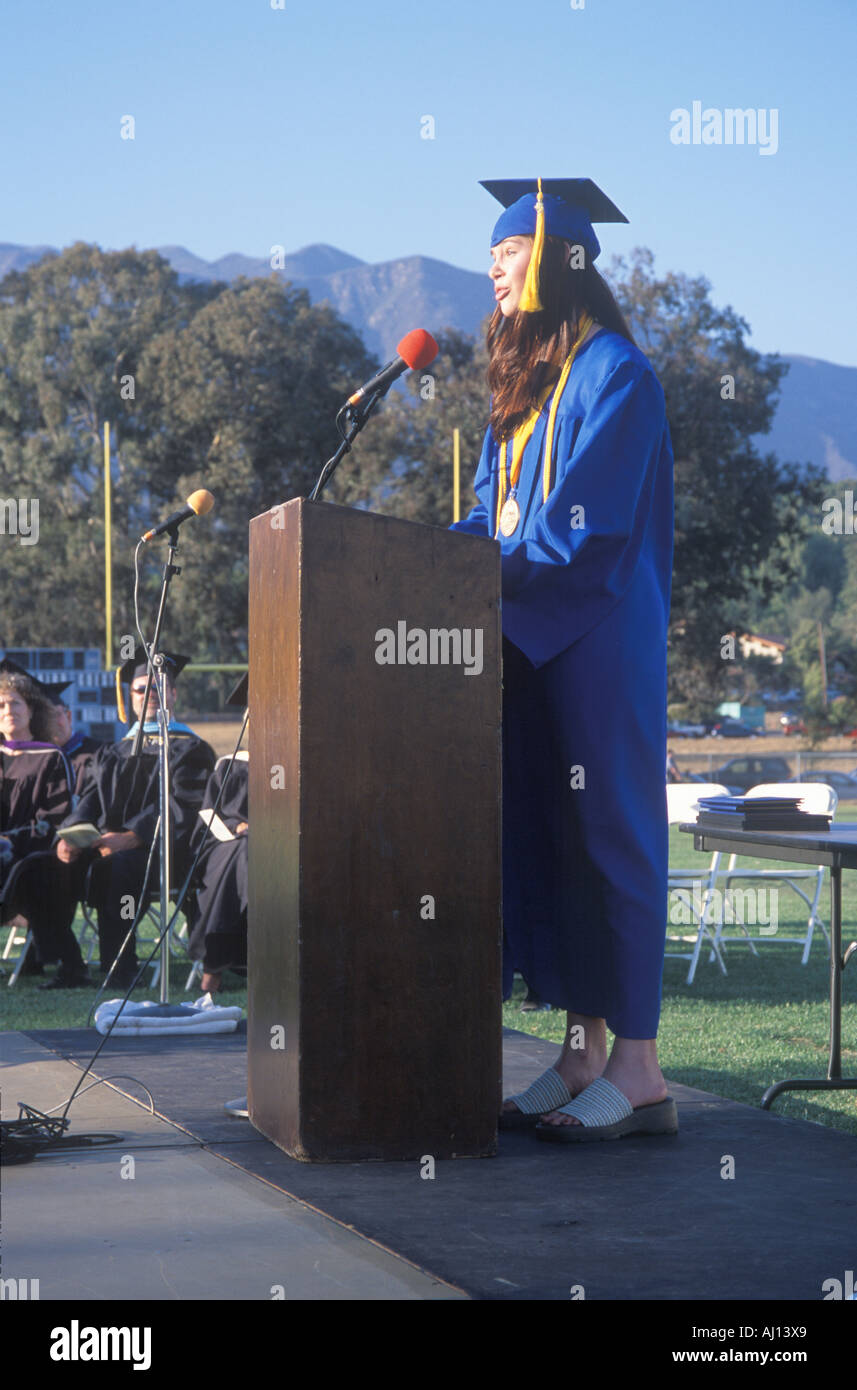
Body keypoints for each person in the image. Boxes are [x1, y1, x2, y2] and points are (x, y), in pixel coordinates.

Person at [450, 178, 676, 1142]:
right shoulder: (523, 395)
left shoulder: (616, 373)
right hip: (523, 639)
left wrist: (478, 567)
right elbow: (484, 518)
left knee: (610, 838)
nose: (492, 270)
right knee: (549, 838)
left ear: (551, 260)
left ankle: (638, 1066)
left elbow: (583, 530)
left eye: (505, 254)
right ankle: (581, 1048)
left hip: (595, 637)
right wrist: (428, 561)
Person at [6, 648, 215, 989]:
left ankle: (122, 966)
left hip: (163, 853)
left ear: (173, 693)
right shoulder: (115, 751)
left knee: (118, 869)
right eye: (141, 689)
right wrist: (68, 837)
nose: (150, 695)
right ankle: (70, 964)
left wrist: (133, 836)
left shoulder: (190, 750)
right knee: (39, 868)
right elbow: (89, 800)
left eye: (159, 687)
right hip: (105, 847)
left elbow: (184, 807)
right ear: (129, 696)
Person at [0, 663, 73, 971]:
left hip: (30, 855)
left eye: (15, 702)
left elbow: (54, 819)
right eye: (0, 704)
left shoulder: (49, 757)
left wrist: (9, 839)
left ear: (30, 708)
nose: (8, 710)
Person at [185, 673, 249, 994]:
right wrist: (239, 829)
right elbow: (208, 820)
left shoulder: (311, 762)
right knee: (245, 852)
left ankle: (214, 965)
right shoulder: (231, 766)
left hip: (289, 852)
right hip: (225, 848)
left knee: (252, 852)